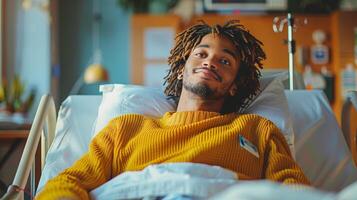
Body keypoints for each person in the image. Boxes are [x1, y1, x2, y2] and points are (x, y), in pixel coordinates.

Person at [36, 20, 309, 199]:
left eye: (225, 61)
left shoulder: (256, 130)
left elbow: (295, 191)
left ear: (235, 85)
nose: (210, 61)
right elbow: (69, 182)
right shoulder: (126, 129)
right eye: (201, 54)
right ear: (181, 71)